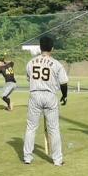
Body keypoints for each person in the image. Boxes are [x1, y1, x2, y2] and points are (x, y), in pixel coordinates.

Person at [23, 36, 68, 166]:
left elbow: (28, 78)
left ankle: (27, 157)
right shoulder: (56, 64)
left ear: (40, 47)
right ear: (52, 48)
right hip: (50, 96)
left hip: (35, 94)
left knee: (31, 127)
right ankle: (57, 160)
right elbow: (64, 83)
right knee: (53, 128)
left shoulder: (31, 63)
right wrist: (64, 96)